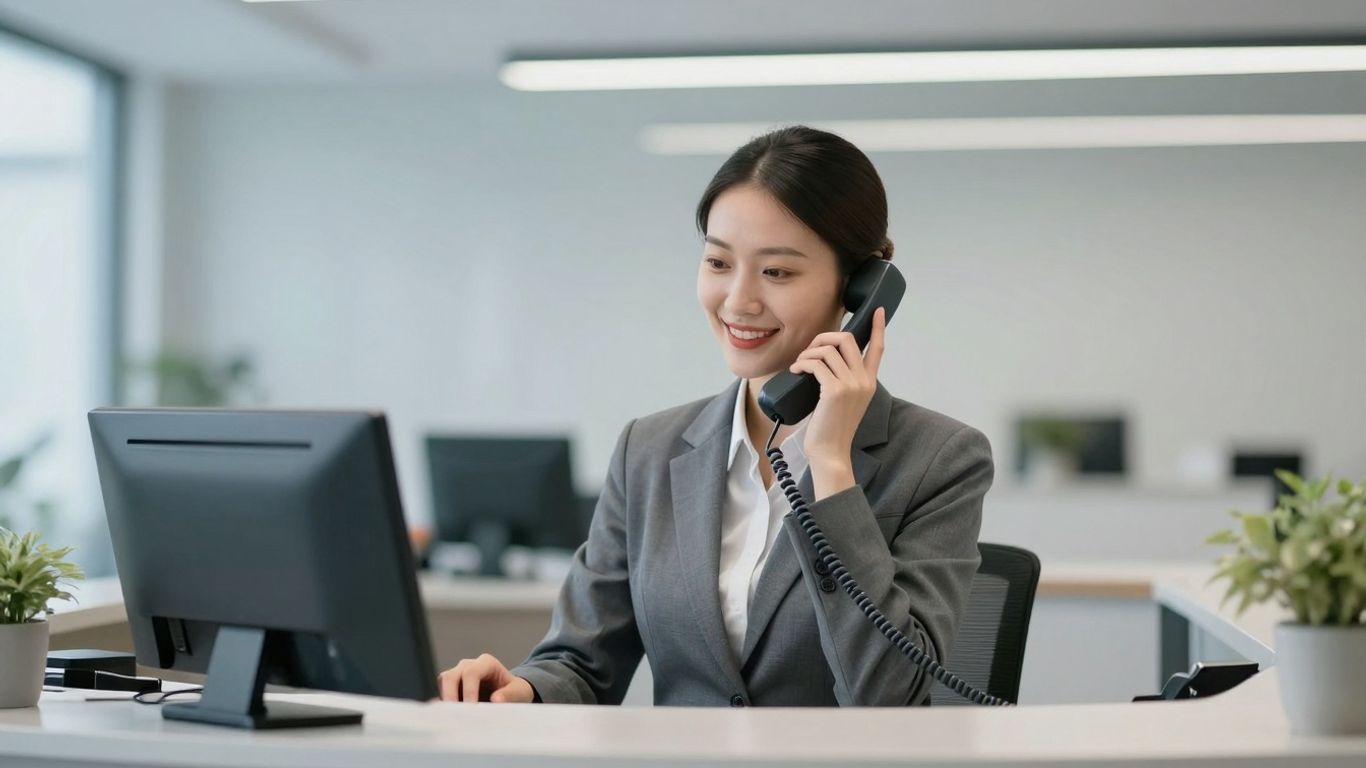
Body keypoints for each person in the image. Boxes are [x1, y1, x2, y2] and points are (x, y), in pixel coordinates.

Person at [438, 125, 992, 707]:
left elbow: (891, 695)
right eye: (719, 263)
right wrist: (523, 689)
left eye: (777, 272)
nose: (738, 300)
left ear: (861, 290)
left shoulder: (941, 459)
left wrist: (831, 467)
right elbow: (582, 661)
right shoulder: (648, 451)